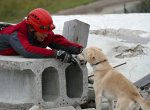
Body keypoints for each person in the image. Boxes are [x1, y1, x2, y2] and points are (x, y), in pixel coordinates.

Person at [0, 8, 83, 63]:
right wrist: (57, 54)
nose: (46, 35)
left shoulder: (43, 33)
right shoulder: (15, 34)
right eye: (43, 32)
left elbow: (55, 40)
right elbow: (27, 51)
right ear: (31, 28)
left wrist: (78, 50)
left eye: (48, 31)